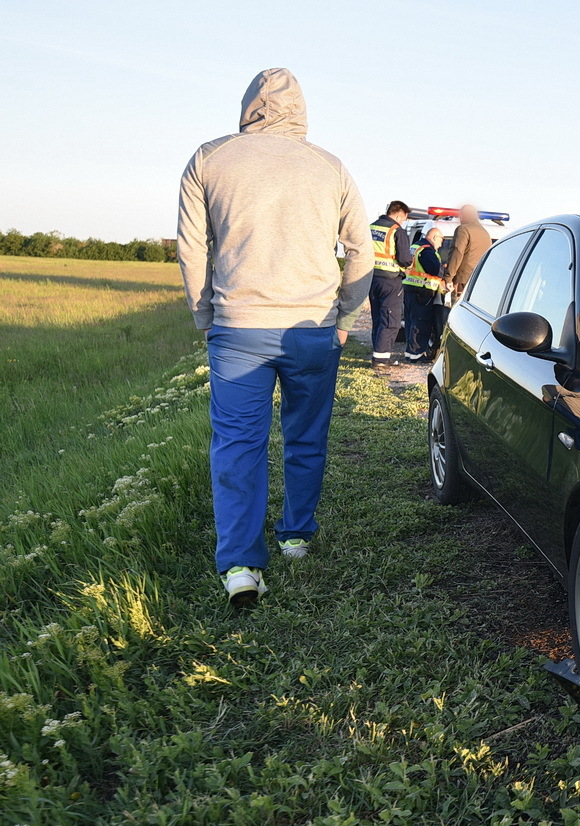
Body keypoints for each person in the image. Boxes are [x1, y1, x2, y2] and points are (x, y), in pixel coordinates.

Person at [177, 68, 372, 607]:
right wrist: (343, 319)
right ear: (302, 110)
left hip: (237, 328)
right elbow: (363, 251)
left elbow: (192, 249)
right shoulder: (330, 166)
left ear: (247, 107)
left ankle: (241, 566)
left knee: (238, 444)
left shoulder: (209, 158)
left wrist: (204, 317)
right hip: (311, 328)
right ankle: (296, 537)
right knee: (306, 435)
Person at [368, 201, 413, 366]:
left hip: (371, 278)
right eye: (404, 219)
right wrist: (410, 262)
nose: (403, 222)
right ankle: (380, 359)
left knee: (378, 318)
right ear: (399, 214)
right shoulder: (397, 231)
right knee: (391, 321)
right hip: (390, 280)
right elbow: (404, 259)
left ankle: (377, 353)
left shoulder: (371, 227)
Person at [402, 226, 448, 363]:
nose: (441, 245)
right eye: (441, 240)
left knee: (411, 322)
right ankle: (417, 354)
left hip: (410, 288)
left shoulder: (416, 246)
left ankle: (410, 353)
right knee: (420, 323)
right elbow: (434, 270)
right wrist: (444, 270)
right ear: (434, 237)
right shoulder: (427, 250)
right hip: (422, 290)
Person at [446, 204, 491, 299]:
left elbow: (457, 253)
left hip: (463, 280)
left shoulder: (463, 229)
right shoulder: (486, 233)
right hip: (478, 281)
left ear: (461, 216)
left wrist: (448, 277)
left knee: (456, 309)